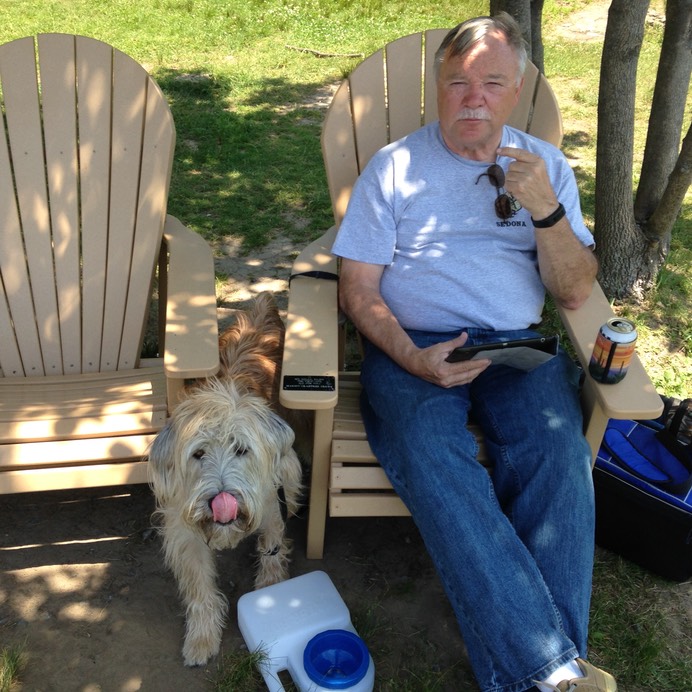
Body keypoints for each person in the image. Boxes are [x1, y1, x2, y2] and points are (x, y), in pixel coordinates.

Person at [331, 13, 617, 692]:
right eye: (459, 82)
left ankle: (543, 675)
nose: (474, 98)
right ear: (437, 88)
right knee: (436, 457)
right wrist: (410, 357)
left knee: (556, 454)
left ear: (515, 91)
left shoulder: (542, 170)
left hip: (515, 348)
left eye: (491, 82)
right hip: (415, 348)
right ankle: (555, 673)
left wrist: (546, 211)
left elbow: (577, 295)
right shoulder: (394, 167)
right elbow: (358, 288)